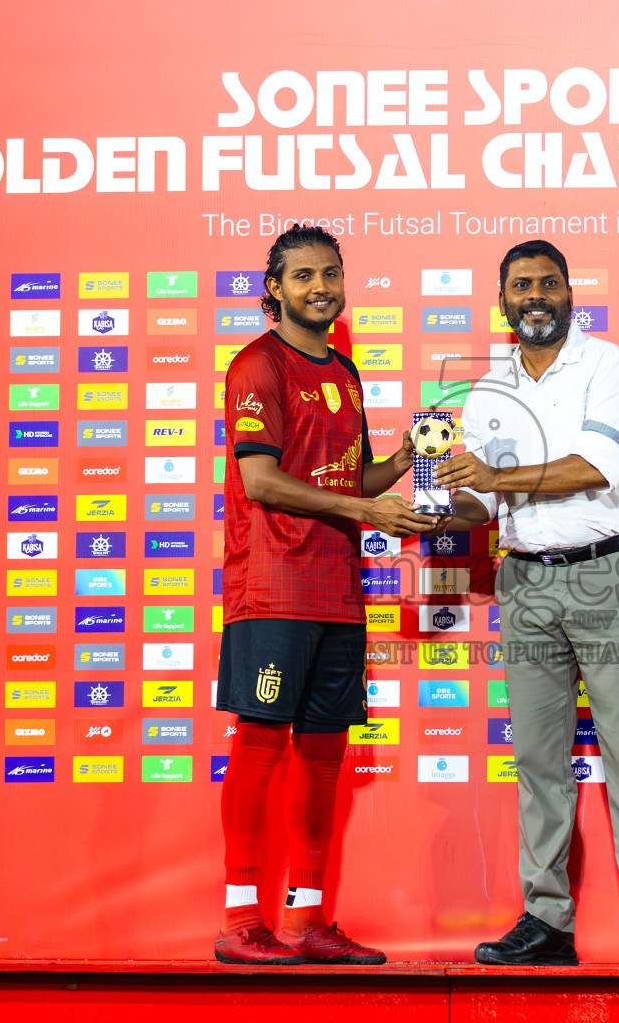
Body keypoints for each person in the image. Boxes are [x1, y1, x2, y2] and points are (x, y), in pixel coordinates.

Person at [433, 239, 619, 967]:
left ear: (570, 292)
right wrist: (436, 508)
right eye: (522, 286)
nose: (536, 296)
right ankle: (546, 920)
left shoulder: (608, 366)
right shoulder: (486, 392)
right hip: (526, 583)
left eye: (548, 283)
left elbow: (599, 466)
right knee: (539, 762)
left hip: (609, 578)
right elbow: (483, 499)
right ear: (502, 299)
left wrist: (494, 478)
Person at [216, 224, 438, 965]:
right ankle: (242, 919)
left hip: (337, 592)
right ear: (274, 288)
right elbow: (263, 481)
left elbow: (353, 480)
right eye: (303, 275)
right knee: (259, 747)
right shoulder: (256, 366)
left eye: (331, 274)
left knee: (321, 759)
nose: (321, 287)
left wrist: (406, 461)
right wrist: (366, 512)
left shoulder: (344, 371)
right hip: (273, 586)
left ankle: (307, 920)